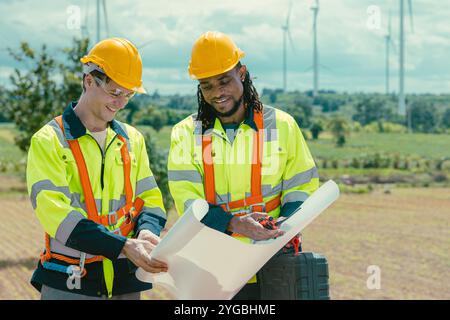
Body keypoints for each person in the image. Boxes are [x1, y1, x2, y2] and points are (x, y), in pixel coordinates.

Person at [167, 31, 319, 299]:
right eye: (207, 85)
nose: (217, 93)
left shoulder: (282, 125)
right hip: (215, 267)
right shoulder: (185, 134)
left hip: (275, 260)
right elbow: (190, 204)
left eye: (224, 81)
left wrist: (280, 227)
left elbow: (302, 187)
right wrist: (237, 225)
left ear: (243, 73)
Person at [26, 37, 168, 300]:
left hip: (126, 279)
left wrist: (147, 231)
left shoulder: (132, 139)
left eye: (128, 94)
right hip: (71, 280)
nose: (121, 102)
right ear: (89, 81)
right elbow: (56, 214)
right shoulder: (49, 140)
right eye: (115, 93)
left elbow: (150, 199)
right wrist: (123, 246)